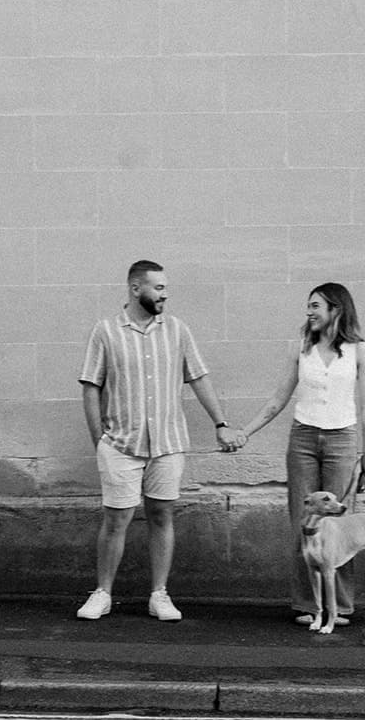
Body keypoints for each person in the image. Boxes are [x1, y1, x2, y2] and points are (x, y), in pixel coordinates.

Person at [76, 260, 244, 622]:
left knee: (161, 514)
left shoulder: (178, 330)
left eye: (166, 288)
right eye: (159, 288)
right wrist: (98, 440)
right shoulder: (105, 331)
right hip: (120, 443)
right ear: (136, 288)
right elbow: (91, 387)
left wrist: (221, 423)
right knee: (116, 519)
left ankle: (159, 595)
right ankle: (102, 593)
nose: (165, 295)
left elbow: (198, 378)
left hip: (168, 443)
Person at [235, 282, 365, 625]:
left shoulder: (359, 351)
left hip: (343, 439)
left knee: (338, 524)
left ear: (335, 309)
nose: (309, 312)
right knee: (304, 521)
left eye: (315, 305)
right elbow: (278, 399)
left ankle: (339, 607)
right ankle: (309, 605)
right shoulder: (299, 347)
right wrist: (245, 432)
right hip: (303, 439)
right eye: (308, 306)